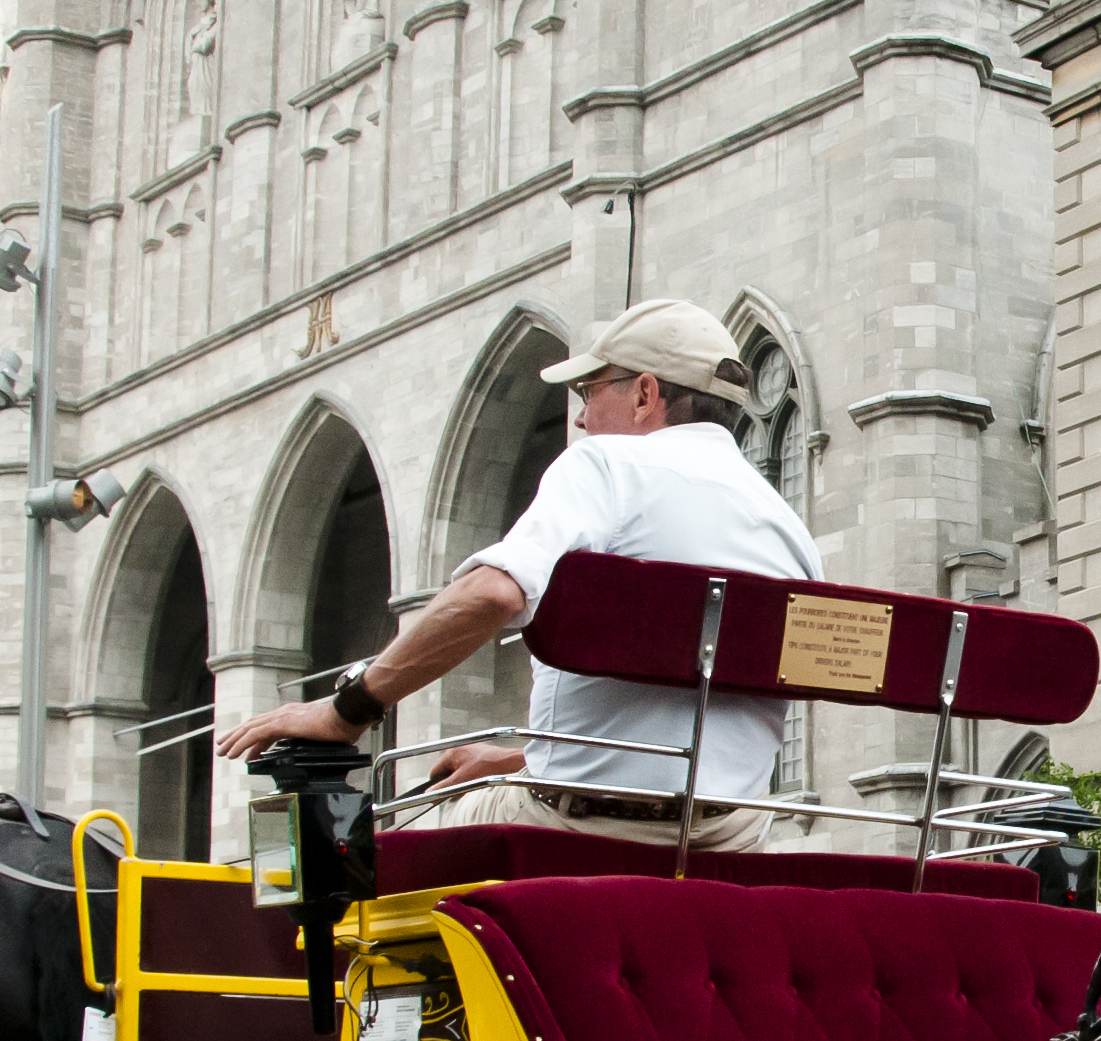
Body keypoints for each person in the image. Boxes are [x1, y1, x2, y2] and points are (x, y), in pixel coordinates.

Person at [215, 299, 822, 847]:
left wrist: (344, 711)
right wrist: (519, 761)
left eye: (589, 391)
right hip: (732, 832)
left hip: (580, 825)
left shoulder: (606, 465)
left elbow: (494, 592)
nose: (581, 418)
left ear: (643, 394)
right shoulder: (787, 527)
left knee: (377, 837)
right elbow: (686, 737)